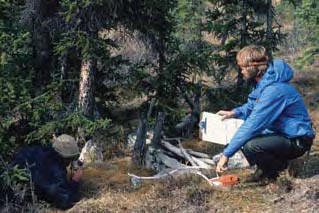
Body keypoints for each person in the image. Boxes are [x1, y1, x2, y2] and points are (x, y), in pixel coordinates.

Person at [215, 45, 315, 182]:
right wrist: (235, 112)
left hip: (297, 141)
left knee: (252, 145)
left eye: (243, 67)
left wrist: (226, 155)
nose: (241, 71)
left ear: (252, 67)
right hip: (283, 135)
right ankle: (266, 170)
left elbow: (253, 124)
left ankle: (274, 174)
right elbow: (252, 106)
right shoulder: (266, 84)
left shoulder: (274, 90)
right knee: (247, 140)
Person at [10, 134, 83, 210]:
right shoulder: (56, 171)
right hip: (17, 202)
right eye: (71, 158)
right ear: (65, 157)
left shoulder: (37, 149)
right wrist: (75, 181)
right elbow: (65, 202)